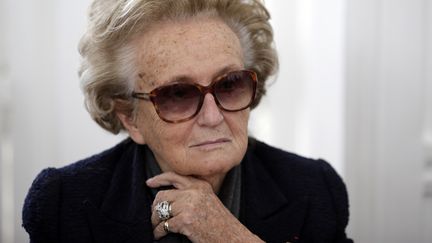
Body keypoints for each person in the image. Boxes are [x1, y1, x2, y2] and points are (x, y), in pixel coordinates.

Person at [22, 0, 353, 242]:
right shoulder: (65, 204)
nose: (213, 117)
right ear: (129, 117)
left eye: (229, 84)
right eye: (177, 94)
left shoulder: (313, 189)